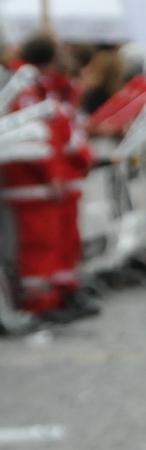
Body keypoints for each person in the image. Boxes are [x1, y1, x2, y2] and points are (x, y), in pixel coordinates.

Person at [0, 37, 96, 324]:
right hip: (31, 182)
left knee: (54, 244)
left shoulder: (32, 85)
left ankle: (57, 295)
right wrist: (54, 172)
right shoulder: (22, 86)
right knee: (39, 247)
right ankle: (41, 301)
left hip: (41, 181)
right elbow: (37, 134)